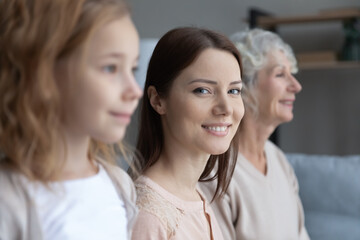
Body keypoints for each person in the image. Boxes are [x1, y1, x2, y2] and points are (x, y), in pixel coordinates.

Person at [0, 0, 142, 239]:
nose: (134, 90)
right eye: (111, 68)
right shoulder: (8, 199)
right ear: (44, 73)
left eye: (133, 69)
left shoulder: (119, 185)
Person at [131, 27, 244, 240]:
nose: (226, 108)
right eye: (203, 90)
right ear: (157, 100)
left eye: (234, 91)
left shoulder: (197, 197)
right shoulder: (148, 216)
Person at [200, 28, 310, 240]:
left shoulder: (278, 159)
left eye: (292, 74)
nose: (296, 86)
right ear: (244, 87)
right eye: (280, 74)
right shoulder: (216, 171)